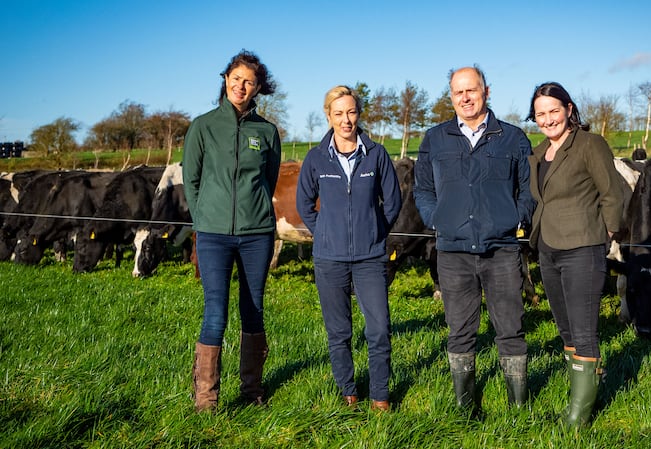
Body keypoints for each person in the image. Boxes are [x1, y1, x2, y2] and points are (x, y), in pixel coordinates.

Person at [414, 66, 535, 411]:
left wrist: (515, 218)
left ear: (486, 91)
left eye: (472, 90)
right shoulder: (435, 139)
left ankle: (518, 409)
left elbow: (527, 190)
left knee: (510, 328)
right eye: (458, 92)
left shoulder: (512, 138)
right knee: (460, 331)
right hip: (453, 253)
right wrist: (436, 219)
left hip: (501, 250)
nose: (465, 98)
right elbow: (422, 189)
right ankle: (467, 408)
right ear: (451, 96)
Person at [183, 50, 282, 412]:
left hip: (257, 234)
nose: (242, 86)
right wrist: (204, 218)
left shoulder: (267, 132)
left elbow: (268, 180)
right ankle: (206, 399)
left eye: (250, 82)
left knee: (253, 309)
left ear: (258, 89)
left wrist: (254, 213)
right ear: (226, 79)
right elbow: (191, 180)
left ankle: (251, 391)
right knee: (215, 313)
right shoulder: (203, 126)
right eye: (236, 78)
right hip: (213, 235)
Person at [296, 85, 402, 411]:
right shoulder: (316, 158)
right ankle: (348, 391)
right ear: (328, 116)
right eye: (339, 113)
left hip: (370, 258)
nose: (346, 120)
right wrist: (325, 233)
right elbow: (304, 204)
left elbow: (393, 202)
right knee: (339, 331)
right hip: (329, 259)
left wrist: (374, 231)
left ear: (359, 114)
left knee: (379, 329)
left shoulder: (377, 154)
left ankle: (380, 395)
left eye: (352, 112)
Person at [525, 81, 625, 428]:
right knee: (566, 329)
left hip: (583, 248)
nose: (548, 119)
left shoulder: (589, 145)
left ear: (569, 110)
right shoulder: (539, 152)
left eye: (554, 110)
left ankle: (578, 417)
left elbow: (613, 192)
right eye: (541, 113)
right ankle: (578, 393)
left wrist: (606, 234)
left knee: (584, 330)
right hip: (549, 249)